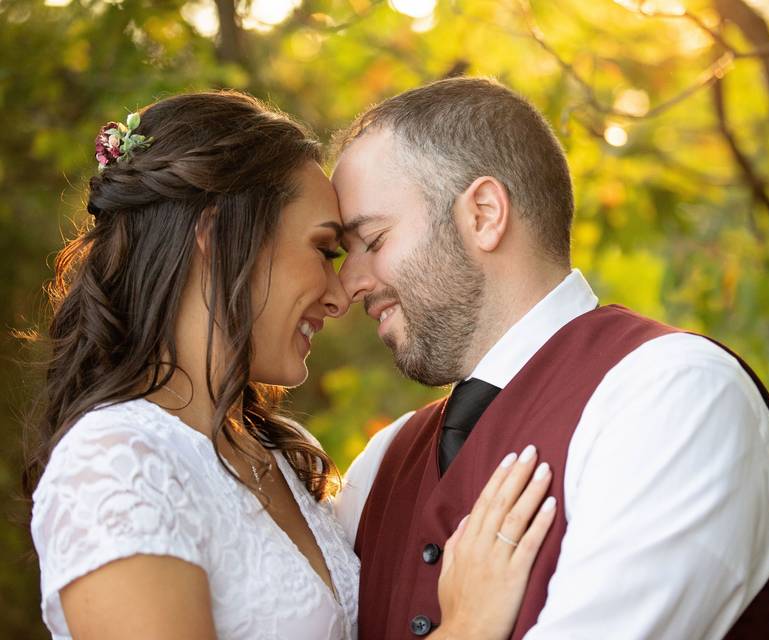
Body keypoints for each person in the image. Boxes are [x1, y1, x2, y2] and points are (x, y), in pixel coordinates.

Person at [24, 90, 556, 640]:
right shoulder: (115, 463)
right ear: (217, 235)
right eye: (326, 251)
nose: (339, 294)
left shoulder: (282, 455)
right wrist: (465, 627)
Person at [331, 76, 769, 639]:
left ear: (484, 214)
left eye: (374, 241)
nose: (348, 285)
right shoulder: (379, 464)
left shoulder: (679, 393)